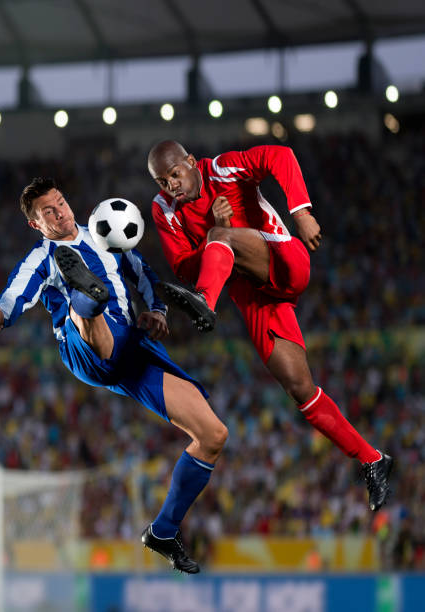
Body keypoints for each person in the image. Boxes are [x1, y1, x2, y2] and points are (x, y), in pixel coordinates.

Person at [0, 177, 228, 574]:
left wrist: (158, 311)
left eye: (60, 203)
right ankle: (86, 298)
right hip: (85, 348)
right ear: (35, 224)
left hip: (132, 347)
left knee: (214, 435)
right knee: (87, 312)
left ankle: (163, 531)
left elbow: (142, 271)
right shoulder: (40, 257)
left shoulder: (104, 230)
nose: (60, 213)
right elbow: (14, 295)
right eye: (48, 212)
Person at [147, 140, 393, 512]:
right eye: (162, 182)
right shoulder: (163, 209)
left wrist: (302, 211)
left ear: (192, 163)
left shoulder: (224, 169)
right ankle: (372, 459)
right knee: (300, 390)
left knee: (219, 237)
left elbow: (281, 156)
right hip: (253, 294)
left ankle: (205, 303)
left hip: (283, 258)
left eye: (175, 175)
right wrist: (220, 231)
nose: (171, 186)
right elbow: (182, 265)